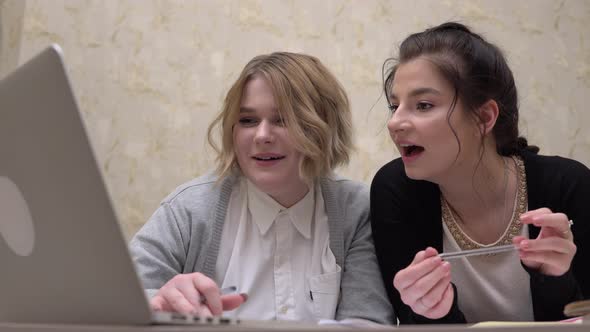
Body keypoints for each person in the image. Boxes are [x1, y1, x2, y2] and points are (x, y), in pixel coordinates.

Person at [129, 52, 393, 324]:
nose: (262, 136)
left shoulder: (356, 209)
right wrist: (158, 302)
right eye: (248, 121)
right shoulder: (188, 208)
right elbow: (119, 301)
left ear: (323, 127)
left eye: (282, 120)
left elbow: (367, 321)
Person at [371, 22, 589, 324]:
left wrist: (555, 278)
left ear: (484, 117)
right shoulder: (394, 190)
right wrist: (432, 313)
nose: (395, 123)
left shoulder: (568, 185)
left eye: (422, 105)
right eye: (394, 106)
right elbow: (411, 321)